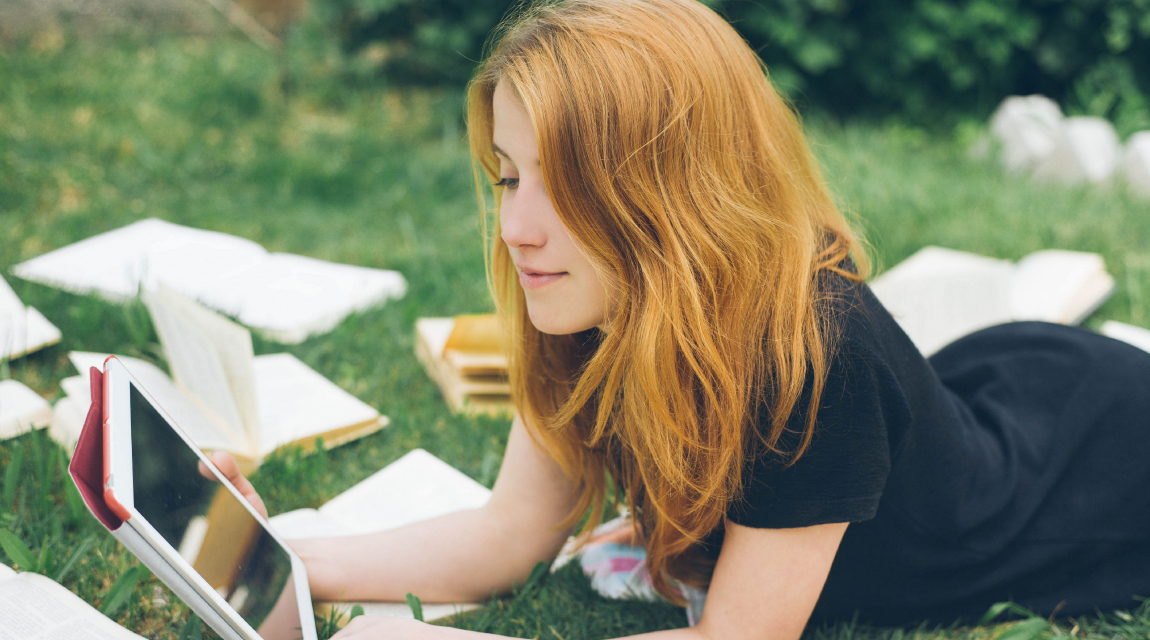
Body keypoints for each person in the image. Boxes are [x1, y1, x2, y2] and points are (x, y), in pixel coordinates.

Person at [212, 1, 1150, 638]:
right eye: (507, 174)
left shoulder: (813, 351)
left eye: (564, 184)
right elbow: (505, 538)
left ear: (672, 192)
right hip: (997, 387)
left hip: (1091, 477)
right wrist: (291, 560)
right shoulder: (584, 300)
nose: (517, 227)